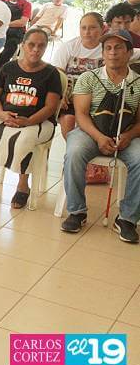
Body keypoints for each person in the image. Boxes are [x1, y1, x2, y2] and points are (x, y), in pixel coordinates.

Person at [60, 29, 140, 243]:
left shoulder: (138, 83)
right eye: (108, 48)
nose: (113, 52)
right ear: (103, 53)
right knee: (74, 152)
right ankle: (77, 211)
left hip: (126, 135)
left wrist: (129, 135)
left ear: (130, 52)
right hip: (90, 132)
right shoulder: (88, 78)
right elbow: (81, 115)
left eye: (118, 48)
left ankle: (127, 219)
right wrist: (98, 138)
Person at [0, 28, 62, 208]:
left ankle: (23, 186)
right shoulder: (9, 67)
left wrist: (28, 121)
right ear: (23, 45)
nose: (35, 49)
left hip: (37, 120)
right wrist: (1, 114)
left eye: (41, 46)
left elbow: (51, 107)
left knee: (25, 138)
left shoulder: (51, 73)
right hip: (5, 115)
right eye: (31, 44)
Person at [51, 12, 106, 138]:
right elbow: (57, 72)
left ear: (102, 29)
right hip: (69, 95)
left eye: (92, 27)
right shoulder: (69, 47)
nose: (87, 32)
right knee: (68, 119)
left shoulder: (108, 48)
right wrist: (60, 93)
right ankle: (71, 150)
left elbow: (132, 52)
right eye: (83, 28)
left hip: (95, 97)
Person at [0, 0, 32, 67]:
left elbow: (22, 22)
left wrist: (6, 24)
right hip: (1, 30)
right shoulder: (2, 1)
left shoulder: (26, 4)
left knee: (11, 44)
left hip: (16, 32)